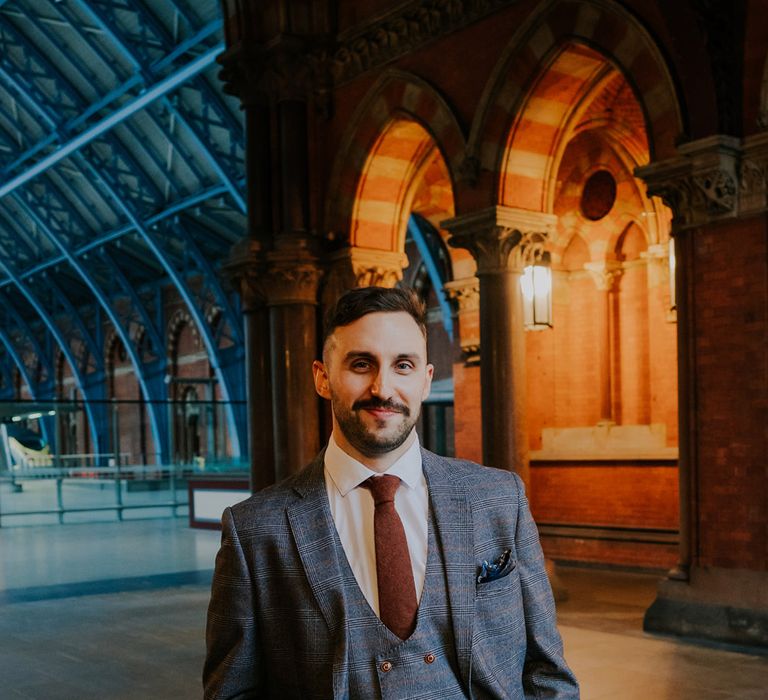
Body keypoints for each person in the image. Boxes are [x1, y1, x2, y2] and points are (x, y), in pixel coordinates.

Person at [204, 286, 579, 699]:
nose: (383, 388)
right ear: (322, 377)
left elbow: (548, 673)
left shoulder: (499, 499)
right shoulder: (255, 530)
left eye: (403, 365)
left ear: (425, 379)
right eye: (361, 364)